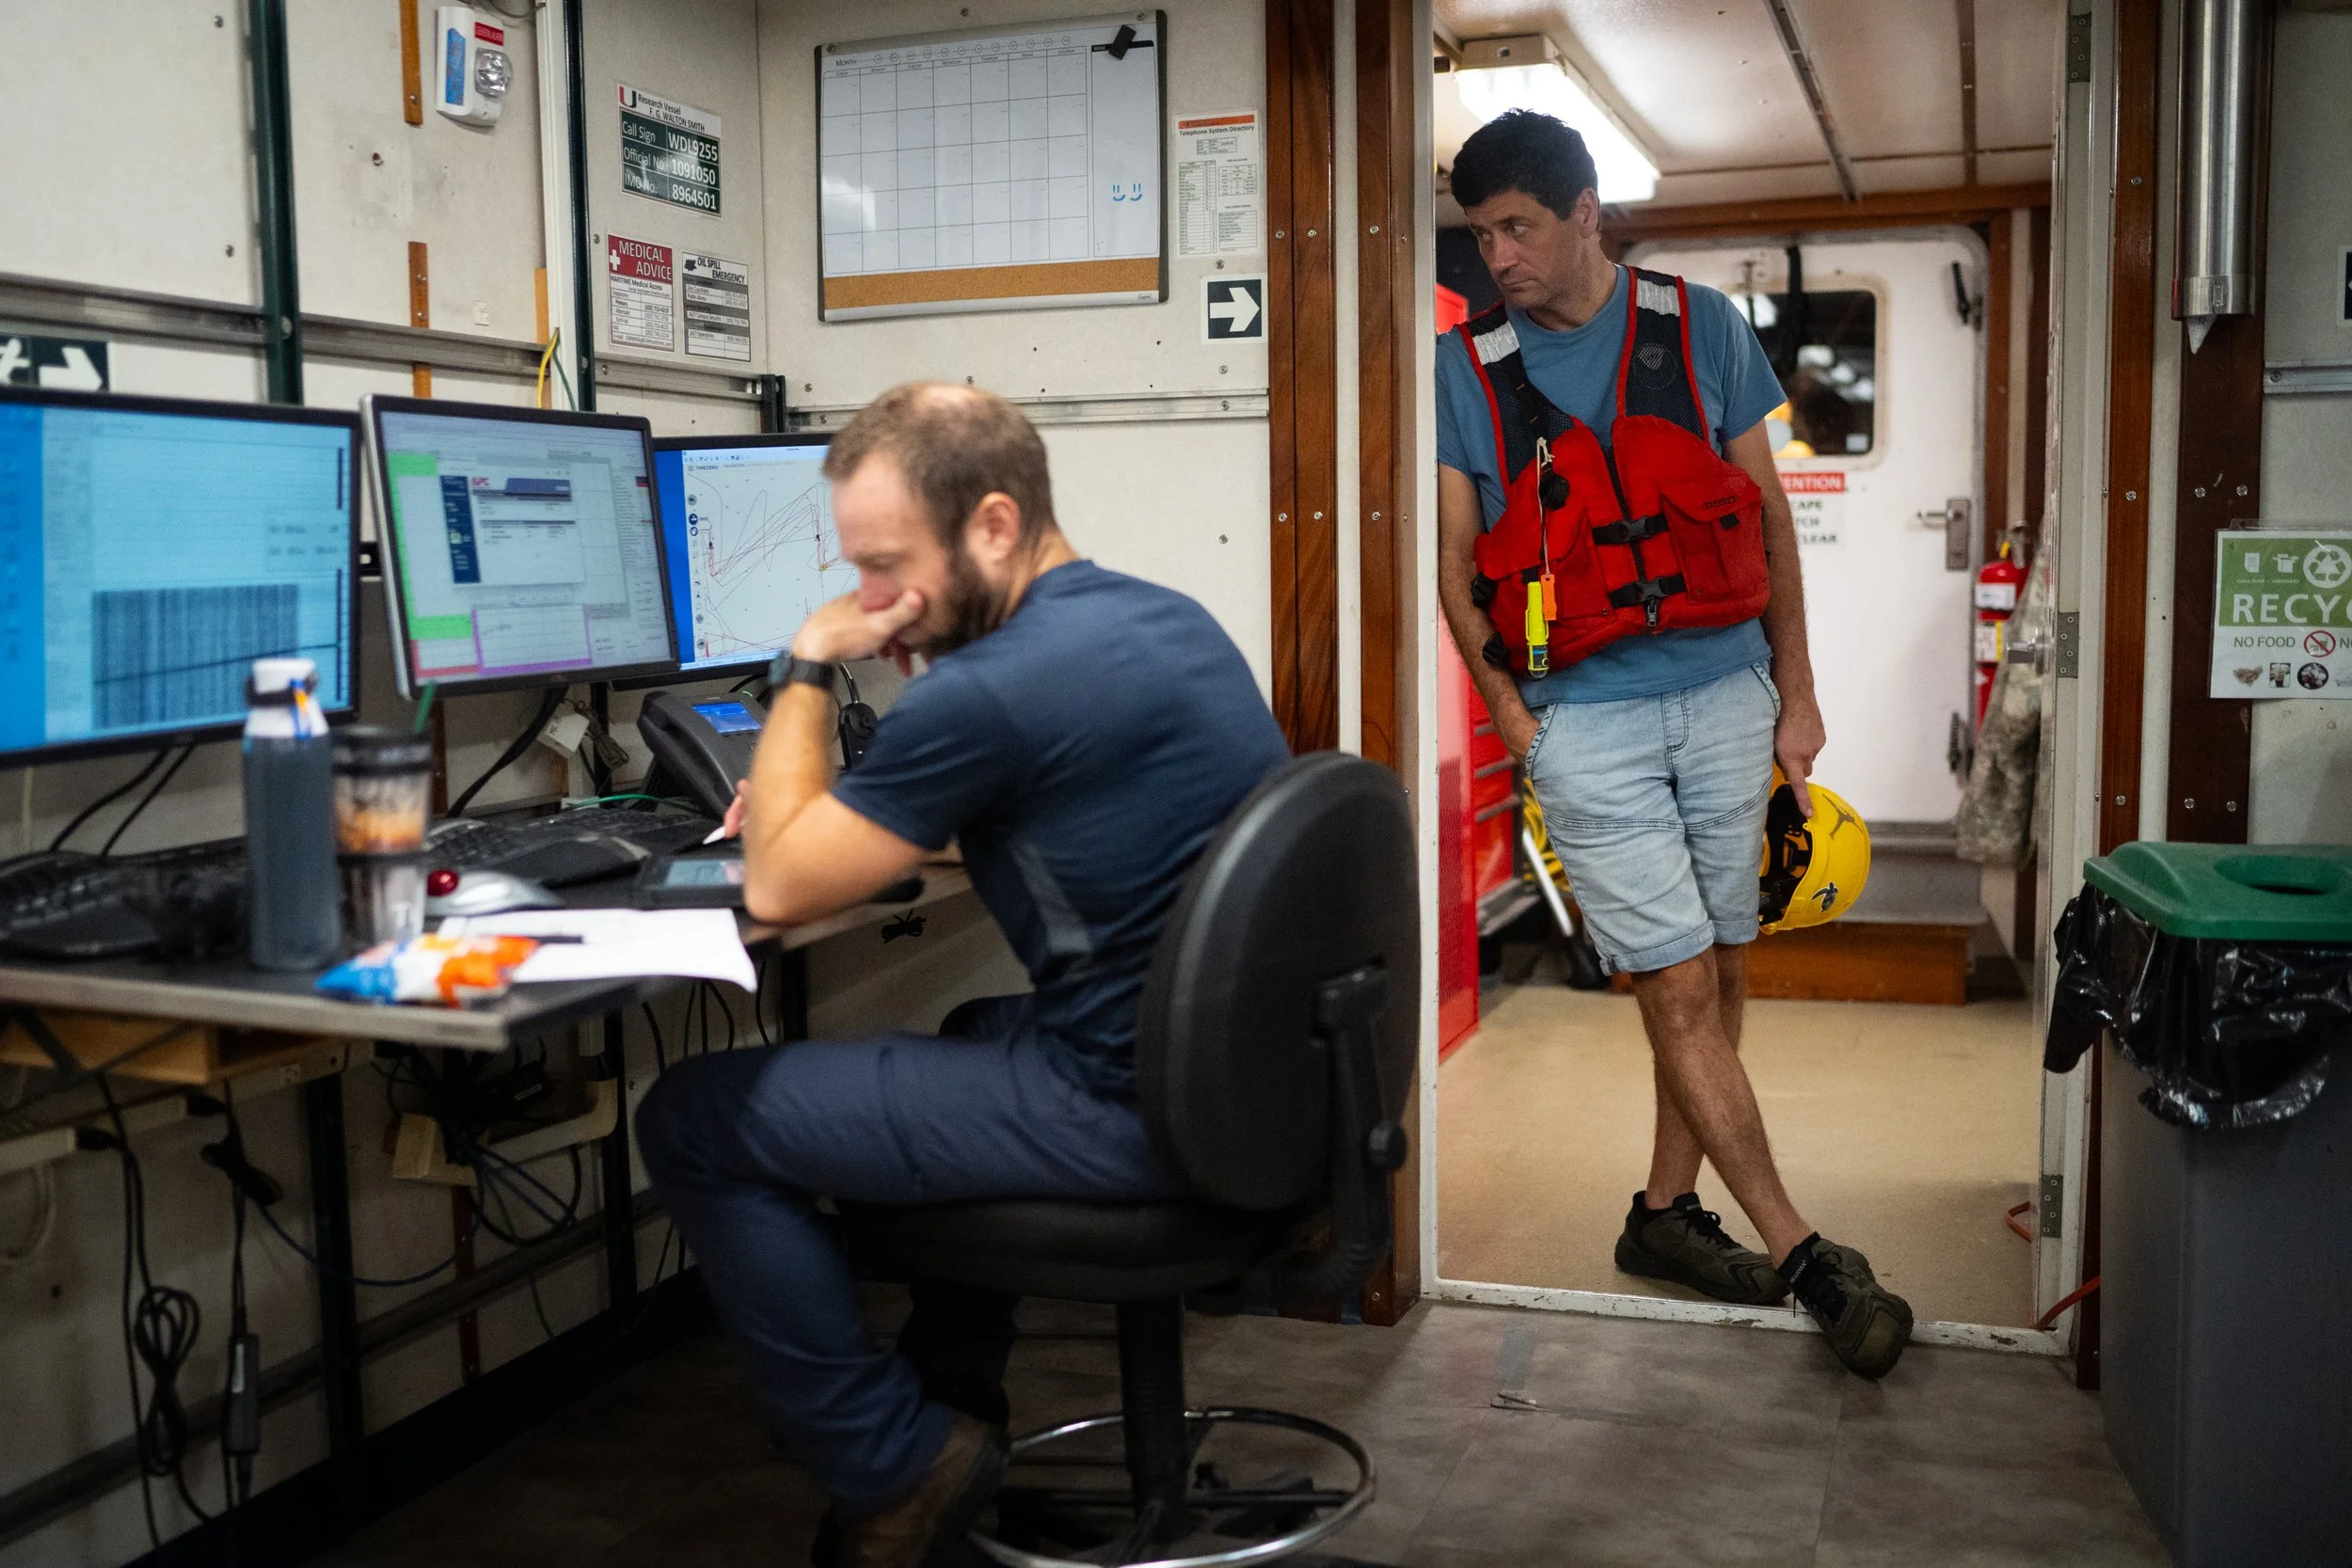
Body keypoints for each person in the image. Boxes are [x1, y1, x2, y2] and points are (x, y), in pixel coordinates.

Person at [634, 383, 1291, 1564]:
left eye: (887, 568)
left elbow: (776, 886)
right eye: (857, 575)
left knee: (694, 1114)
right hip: (1250, 1081)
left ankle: (897, 1460)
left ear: (994, 526)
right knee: (975, 1021)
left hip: (1132, 1110)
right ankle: (955, 1399)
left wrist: (803, 660)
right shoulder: (1160, 617)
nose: (873, 601)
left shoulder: (987, 691)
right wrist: (877, 815)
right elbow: (1057, 804)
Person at [1435, 110, 1913, 1379]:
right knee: (1680, 981)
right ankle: (1805, 1249)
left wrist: (1795, 693)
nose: (1500, 258)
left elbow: (1764, 521)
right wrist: (1516, 720)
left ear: (1586, 212)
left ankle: (1662, 1214)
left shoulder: (1699, 328)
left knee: (1715, 961)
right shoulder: (1465, 370)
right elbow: (1454, 567)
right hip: (1583, 715)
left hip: (1727, 694)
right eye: (1482, 235)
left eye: (1518, 228)